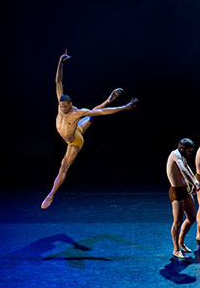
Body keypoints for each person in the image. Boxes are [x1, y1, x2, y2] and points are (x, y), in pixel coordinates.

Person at [41, 50, 139, 209]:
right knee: (92, 116)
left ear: (71, 104)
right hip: (77, 129)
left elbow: (102, 113)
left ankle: (51, 194)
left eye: (66, 106)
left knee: (64, 166)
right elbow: (58, 81)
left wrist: (125, 107)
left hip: (74, 140)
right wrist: (60, 62)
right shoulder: (61, 103)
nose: (63, 108)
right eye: (61, 106)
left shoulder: (77, 112)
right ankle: (108, 99)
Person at [166, 138, 200, 259]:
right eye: (189, 151)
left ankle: (181, 241)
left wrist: (194, 180)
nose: (190, 153)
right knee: (177, 222)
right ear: (182, 149)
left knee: (191, 218)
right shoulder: (175, 154)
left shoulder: (182, 156)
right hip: (176, 191)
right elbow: (183, 169)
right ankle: (176, 249)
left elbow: (187, 168)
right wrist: (194, 183)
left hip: (185, 190)